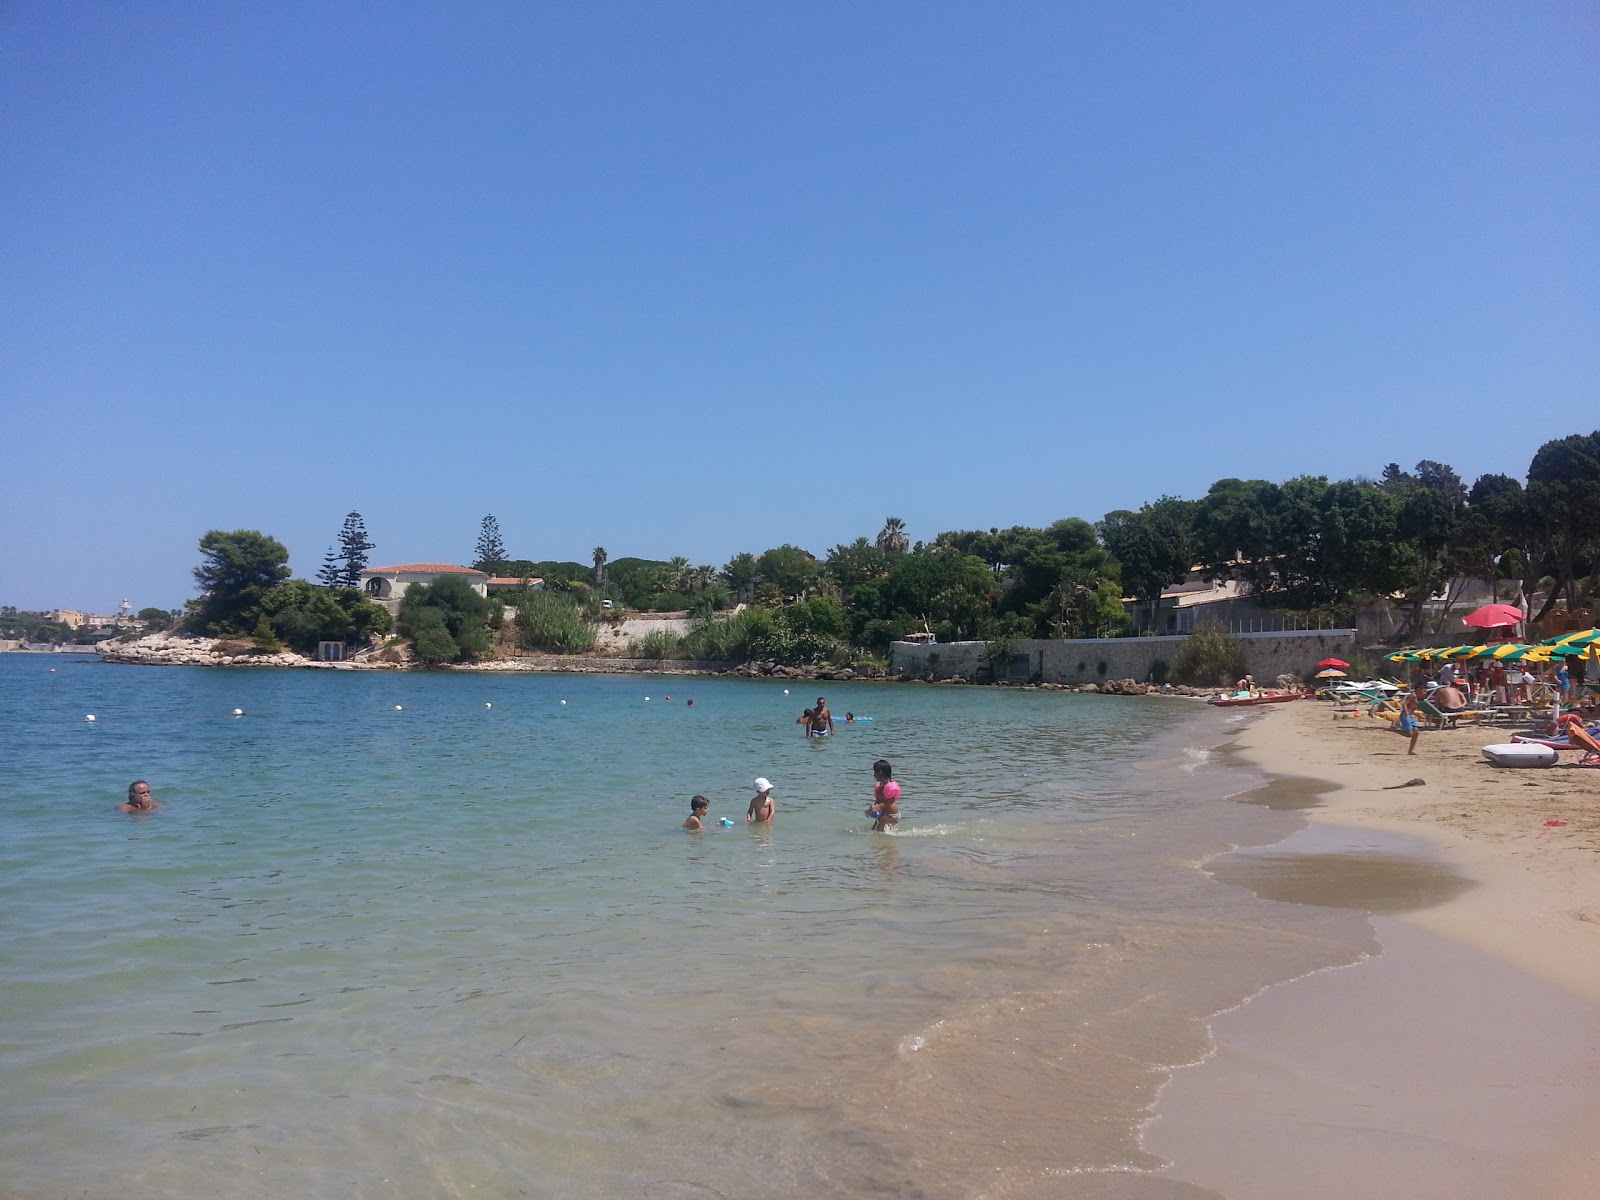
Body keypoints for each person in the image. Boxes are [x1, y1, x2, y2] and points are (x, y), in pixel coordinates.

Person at [865, 759, 900, 831]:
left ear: (880, 773)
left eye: (875, 772)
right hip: (883, 814)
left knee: (880, 829)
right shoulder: (879, 787)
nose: (874, 775)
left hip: (892, 816)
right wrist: (872, 809)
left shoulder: (890, 787)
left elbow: (891, 801)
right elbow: (878, 800)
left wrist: (879, 806)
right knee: (873, 830)